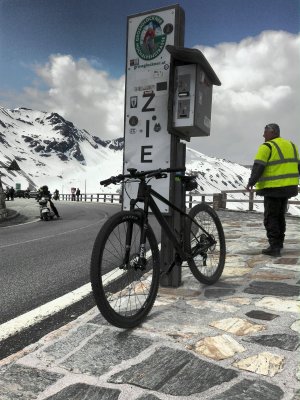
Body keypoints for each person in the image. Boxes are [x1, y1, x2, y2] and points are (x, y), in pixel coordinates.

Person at [246, 123, 300, 257]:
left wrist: (251, 182)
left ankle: (274, 247)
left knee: (271, 217)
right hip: (289, 188)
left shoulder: (267, 146)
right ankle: (279, 243)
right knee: (280, 216)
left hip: (273, 188)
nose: (263, 135)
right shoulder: (292, 145)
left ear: (273, 132)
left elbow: (258, 166)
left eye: (265, 132)